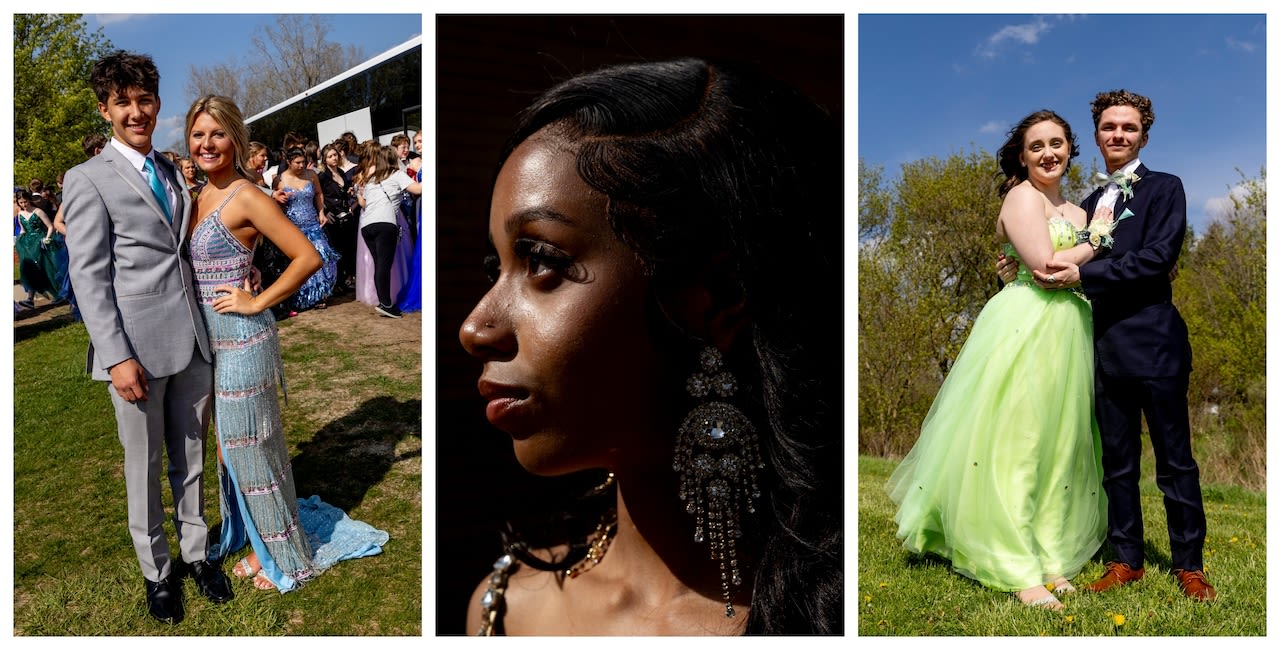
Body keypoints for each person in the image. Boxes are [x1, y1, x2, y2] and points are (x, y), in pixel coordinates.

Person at [458, 58, 842, 635]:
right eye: (497, 265)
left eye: (541, 260)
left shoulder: (830, 613)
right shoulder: (502, 611)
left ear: (719, 294)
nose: (475, 327)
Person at [998, 90, 1214, 601]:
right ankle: (1125, 560)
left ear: (1143, 135)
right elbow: (1043, 251)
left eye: (1129, 128)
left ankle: (1189, 565)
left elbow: (1158, 259)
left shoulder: (1165, 189)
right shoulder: (1085, 205)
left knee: (1175, 461)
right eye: (1109, 127)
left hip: (1155, 343)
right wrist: (1012, 267)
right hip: (1096, 346)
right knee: (1114, 462)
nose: (1118, 135)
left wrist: (1082, 274)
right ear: (1095, 135)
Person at [889, 110, 1109, 611]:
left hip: (1071, 328)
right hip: (1026, 323)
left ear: (1070, 149)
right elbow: (1043, 265)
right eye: (1037, 146)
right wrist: (1098, 243)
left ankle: (1050, 555)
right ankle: (1013, 563)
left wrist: (1092, 236)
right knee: (1020, 441)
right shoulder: (1022, 197)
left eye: (1057, 143)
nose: (1048, 153)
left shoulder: (1079, 213)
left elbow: (1072, 270)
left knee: (1061, 445)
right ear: (1022, 155)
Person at [184, 94, 389, 593]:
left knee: (250, 448)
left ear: (236, 137)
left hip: (243, 338)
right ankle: (250, 531)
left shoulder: (248, 195)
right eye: (197, 134)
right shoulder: (195, 196)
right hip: (207, 342)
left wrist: (258, 302)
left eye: (217, 134)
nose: (207, 144)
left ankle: (274, 550)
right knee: (229, 450)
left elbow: (306, 257)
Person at [61, 50, 232, 625]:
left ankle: (197, 553)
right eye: (124, 103)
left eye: (145, 100)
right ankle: (157, 573)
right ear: (105, 109)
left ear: (156, 103)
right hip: (134, 351)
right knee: (144, 465)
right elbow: (88, 278)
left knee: (190, 458)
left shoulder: (169, 167)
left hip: (193, 342)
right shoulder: (86, 180)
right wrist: (116, 357)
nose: (137, 112)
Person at [272, 146, 339, 311]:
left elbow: (318, 194)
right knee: (303, 261)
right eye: (297, 163)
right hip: (293, 226)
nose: (302, 165)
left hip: (312, 223)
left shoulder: (311, 175)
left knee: (323, 255)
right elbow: (274, 202)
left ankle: (322, 293)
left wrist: (321, 212)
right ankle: (308, 297)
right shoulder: (280, 179)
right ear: (289, 162)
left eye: (303, 162)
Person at [356, 144, 420, 318]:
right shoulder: (397, 174)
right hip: (385, 224)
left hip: (367, 226)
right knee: (384, 266)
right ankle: (386, 304)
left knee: (379, 265)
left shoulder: (372, 179)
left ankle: (383, 302)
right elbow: (418, 189)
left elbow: (363, 204)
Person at [318, 142, 358, 293]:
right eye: (330, 156)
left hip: (345, 214)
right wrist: (325, 211)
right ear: (324, 159)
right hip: (333, 217)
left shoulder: (341, 172)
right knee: (337, 249)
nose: (334, 158)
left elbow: (345, 191)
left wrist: (349, 193)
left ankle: (346, 279)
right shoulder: (322, 176)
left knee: (348, 248)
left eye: (335, 155)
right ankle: (337, 282)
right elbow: (318, 196)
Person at [14, 190, 66, 307]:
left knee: (47, 269)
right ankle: (30, 299)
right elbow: (23, 229)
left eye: (25, 202)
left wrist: (47, 239)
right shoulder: (20, 214)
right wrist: (19, 238)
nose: (23, 205)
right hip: (28, 245)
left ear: (29, 200)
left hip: (41, 243)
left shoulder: (38, 212)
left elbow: (50, 226)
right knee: (31, 270)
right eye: (21, 203)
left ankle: (59, 294)